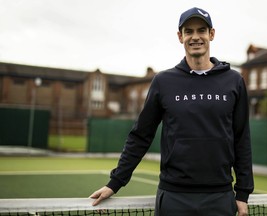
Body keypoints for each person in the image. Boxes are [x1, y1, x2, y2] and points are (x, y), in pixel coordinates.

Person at [90, 7, 254, 216]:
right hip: (174, 196)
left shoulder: (234, 81)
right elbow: (141, 136)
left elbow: (242, 139)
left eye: (201, 30)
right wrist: (115, 183)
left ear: (211, 34)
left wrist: (242, 193)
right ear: (180, 36)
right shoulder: (163, 82)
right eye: (189, 31)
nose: (195, 37)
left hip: (220, 196)